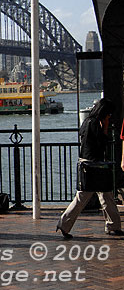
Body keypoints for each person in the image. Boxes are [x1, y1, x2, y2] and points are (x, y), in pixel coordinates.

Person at [57, 98, 124, 238]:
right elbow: (101, 144)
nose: (109, 118)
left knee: (103, 195)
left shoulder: (86, 122)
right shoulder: (95, 124)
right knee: (92, 196)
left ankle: (113, 225)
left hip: (88, 164)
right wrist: (105, 127)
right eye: (108, 115)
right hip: (94, 165)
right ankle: (64, 223)